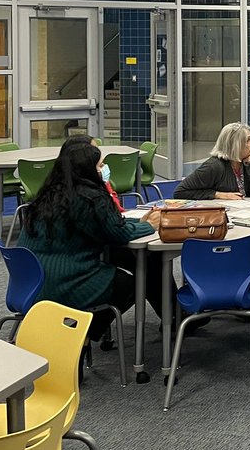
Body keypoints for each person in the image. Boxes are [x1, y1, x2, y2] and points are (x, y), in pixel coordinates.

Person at [17, 135, 169, 341]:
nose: (104, 168)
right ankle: (81, 335)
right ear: (88, 168)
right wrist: (148, 226)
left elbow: (107, 227)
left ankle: (79, 333)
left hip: (30, 281)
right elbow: (118, 234)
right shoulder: (90, 197)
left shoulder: (49, 192)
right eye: (100, 164)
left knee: (131, 263)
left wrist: (138, 224)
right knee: (136, 283)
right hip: (67, 281)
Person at [174, 122, 250, 200]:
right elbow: (180, 192)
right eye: (248, 140)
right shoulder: (214, 166)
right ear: (235, 145)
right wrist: (216, 194)